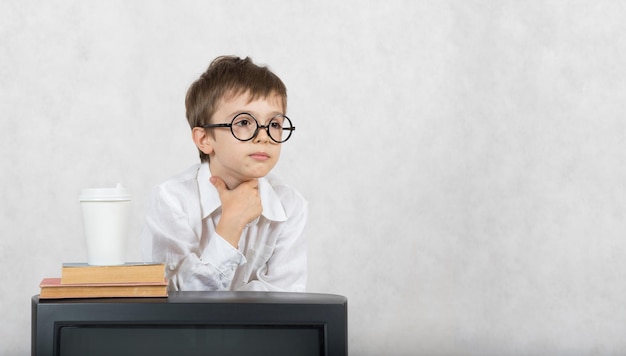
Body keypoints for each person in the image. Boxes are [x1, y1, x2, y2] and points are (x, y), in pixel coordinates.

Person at [141, 56, 307, 292]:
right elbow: (173, 303)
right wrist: (231, 223)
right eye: (243, 122)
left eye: (274, 124)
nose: (264, 136)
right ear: (205, 139)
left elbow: (285, 303)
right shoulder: (171, 200)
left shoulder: (290, 206)